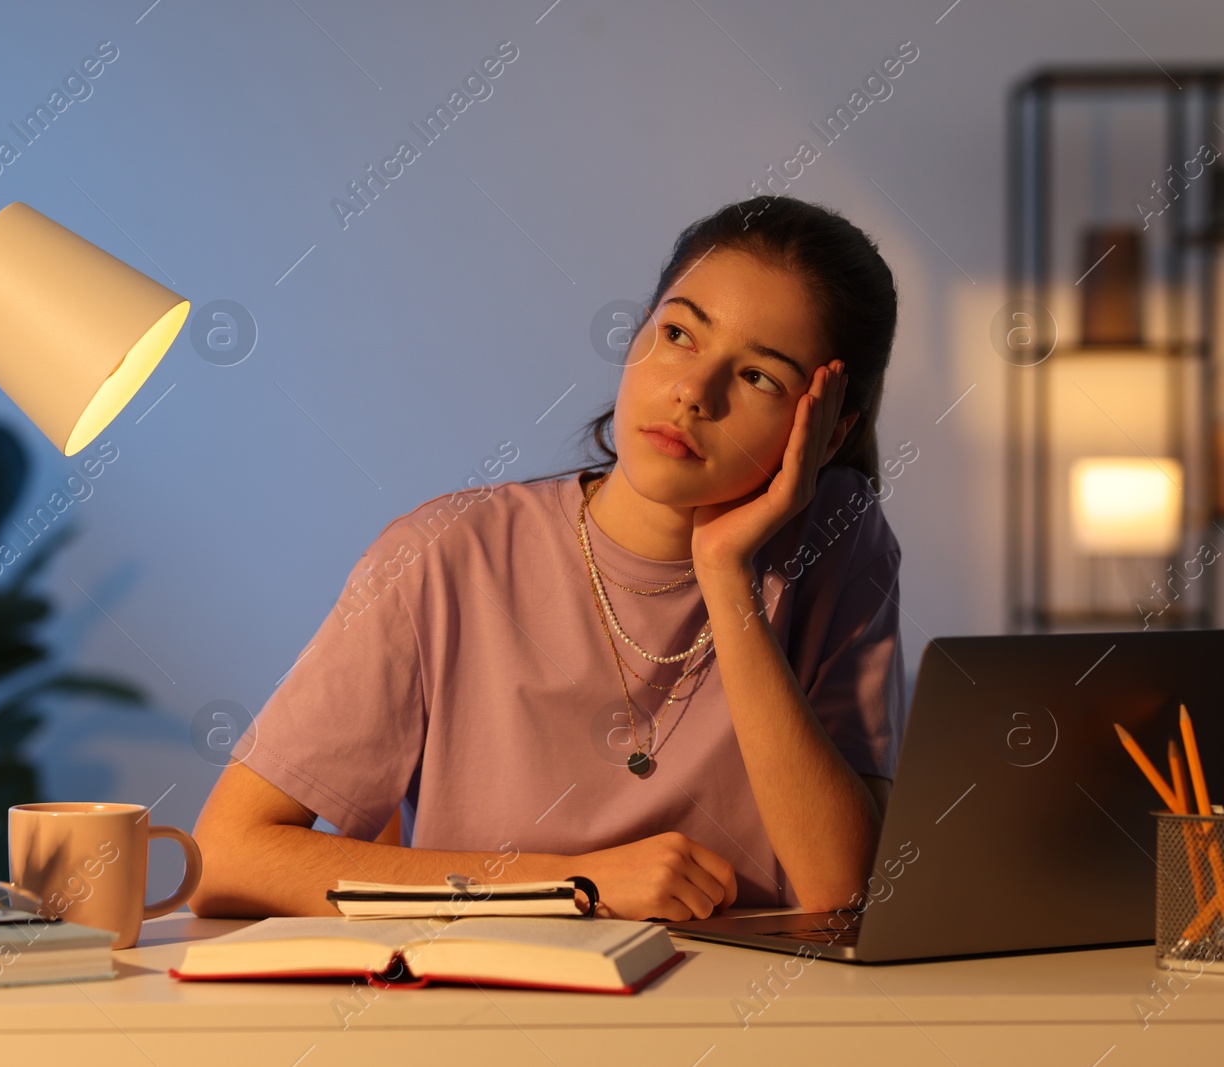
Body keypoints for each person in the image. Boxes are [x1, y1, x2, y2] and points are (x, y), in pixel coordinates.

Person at [190, 195, 906, 922]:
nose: (694, 391)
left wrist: (725, 574)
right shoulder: (444, 557)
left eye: (759, 377)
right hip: (484, 1018)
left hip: (739, 1021)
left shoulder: (838, 549)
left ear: (827, 427)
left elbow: (842, 892)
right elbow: (227, 856)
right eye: (680, 333)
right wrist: (570, 886)